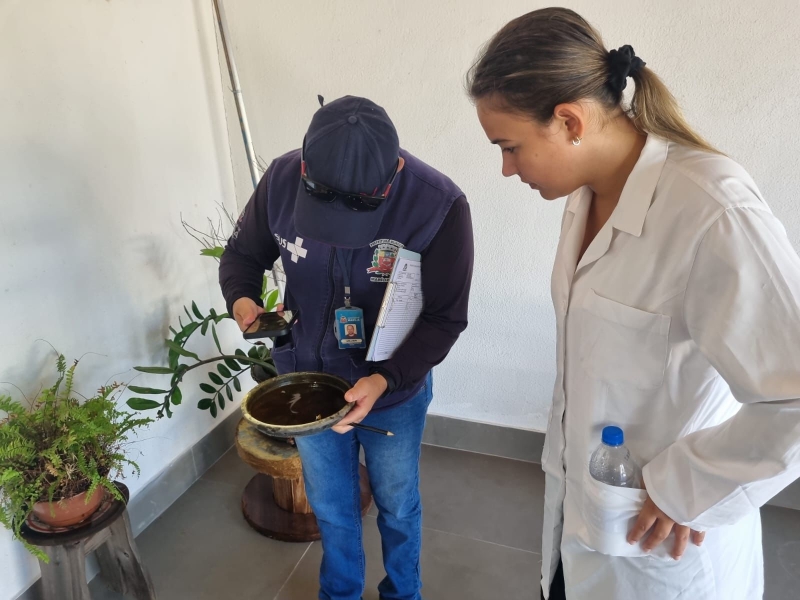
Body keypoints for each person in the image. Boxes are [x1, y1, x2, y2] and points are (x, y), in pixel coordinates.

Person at [468, 8, 800, 600]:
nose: (506, 168)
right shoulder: (586, 196)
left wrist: (688, 488)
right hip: (583, 519)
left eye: (510, 147)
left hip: (664, 550)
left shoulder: (713, 210)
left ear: (569, 121)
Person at [219, 95, 474, 600]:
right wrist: (243, 300)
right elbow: (242, 255)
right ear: (306, 167)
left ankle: (403, 593)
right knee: (332, 507)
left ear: (393, 174)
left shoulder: (439, 205)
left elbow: (446, 318)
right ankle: (339, 594)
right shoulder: (281, 179)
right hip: (309, 387)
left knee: (398, 505)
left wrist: (384, 380)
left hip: (392, 390)